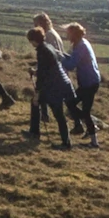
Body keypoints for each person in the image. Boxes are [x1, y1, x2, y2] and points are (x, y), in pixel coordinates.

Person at [26, 16, 74, 148]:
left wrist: (37, 93)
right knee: (38, 105)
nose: (31, 44)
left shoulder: (42, 51)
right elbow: (48, 68)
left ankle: (66, 142)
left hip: (54, 86)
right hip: (61, 81)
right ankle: (35, 132)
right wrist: (36, 71)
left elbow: (42, 75)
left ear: (34, 41)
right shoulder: (48, 47)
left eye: (31, 41)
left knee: (57, 113)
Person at [62, 21, 102, 145]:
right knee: (71, 103)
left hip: (88, 83)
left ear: (74, 34)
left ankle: (94, 140)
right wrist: (62, 55)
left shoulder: (80, 47)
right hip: (90, 81)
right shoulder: (83, 43)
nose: (67, 36)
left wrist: (60, 59)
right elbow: (73, 59)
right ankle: (90, 128)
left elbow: (71, 65)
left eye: (68, 33)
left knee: (82, 110)